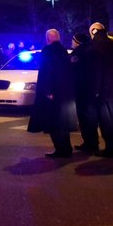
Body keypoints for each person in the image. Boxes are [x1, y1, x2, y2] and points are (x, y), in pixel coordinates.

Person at [27, 29, 77, 157]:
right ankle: (66, 148)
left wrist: (48, 90)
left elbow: (47, 71)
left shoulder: (48, 51)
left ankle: (60, 149)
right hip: (64, 92)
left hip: (52, 92)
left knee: (53, 123)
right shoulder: (63, 50)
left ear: (48, 38)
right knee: (63, 123)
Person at [87, 22, 113, 158]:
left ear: (94, 32)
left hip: (103, 91)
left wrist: (95, 90)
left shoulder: (97, 48)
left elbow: (96, 72)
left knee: (106, 122)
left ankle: (111, 148)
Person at [70, 32, 96, 154]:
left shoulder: (78, 53)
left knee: (84, 118)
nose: (71, 42)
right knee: (90, 117)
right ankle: (92, 142)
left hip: (81, 90)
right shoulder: (91, 51)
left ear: (77, 41)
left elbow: (71, 69)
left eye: (73, 40)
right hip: (90, 89)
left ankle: (89, 143)